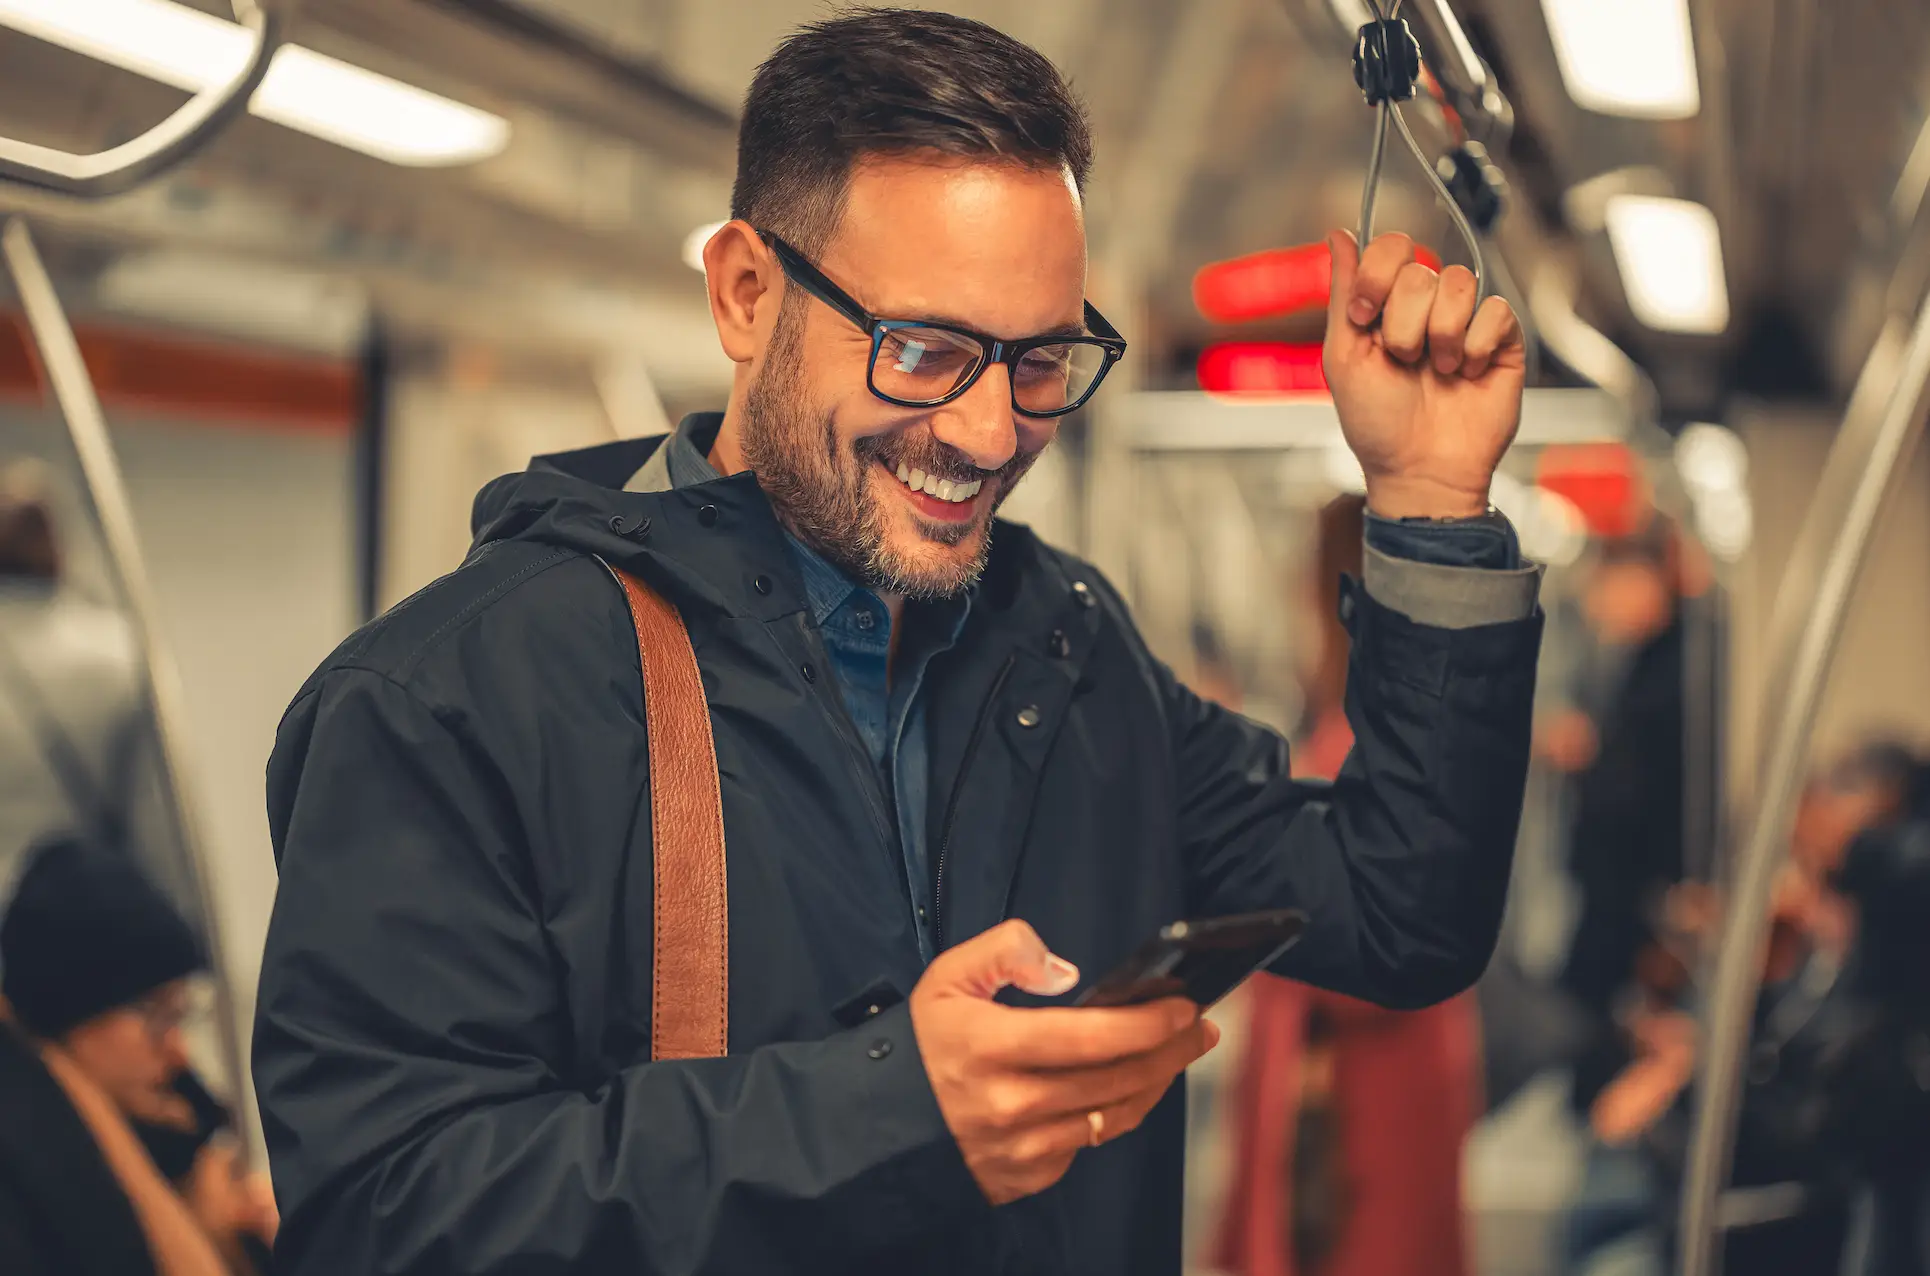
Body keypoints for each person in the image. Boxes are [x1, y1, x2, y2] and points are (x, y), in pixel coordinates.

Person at [252, 11, 1543, 1273]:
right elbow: (382, 1216)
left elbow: (1396, 912)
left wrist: (1429, 508)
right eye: (921, 351)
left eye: (1039, 361)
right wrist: (890, 1119)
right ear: (747, 294)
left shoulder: (1065, 648)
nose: (988, 434)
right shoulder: (448, 700)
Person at [1213, 495, 1481, 1276]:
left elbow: (1380, 938)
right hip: (1369, 1075)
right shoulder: (1391, 731)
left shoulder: (1370, 744)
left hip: (1360, 1093)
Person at [0, 836, 244, 1276]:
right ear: (69, 1010)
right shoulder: (26, 1184)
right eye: (154, 1015)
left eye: (181, 1017)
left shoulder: (182, 1141)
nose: (177, 1049)